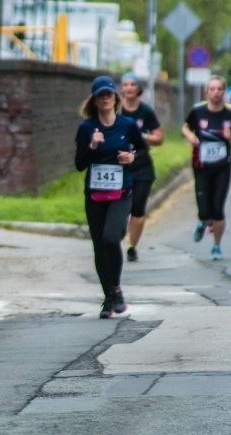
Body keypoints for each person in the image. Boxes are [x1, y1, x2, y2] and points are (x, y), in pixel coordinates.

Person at [75, 76, 147, 319]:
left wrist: (132, 157)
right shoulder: (87, 128)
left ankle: (116, 288)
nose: (105, 98)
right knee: (99, 246)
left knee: (110, 237)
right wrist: (92, 146)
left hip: (121, 192)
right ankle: (109, 298)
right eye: (100, 95)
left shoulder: (127, 125)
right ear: (94, 100)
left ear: (115, 98)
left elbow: (142, 150)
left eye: (108, 94)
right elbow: (78, 164)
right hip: (94, 195)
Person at [182, 75, 231, 261]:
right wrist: (190, 137)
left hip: (222, 166)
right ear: (206, 92)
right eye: (212, 89)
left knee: (218, 208)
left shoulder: (230, 114)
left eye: (219, 89)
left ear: (224, 92)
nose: (216, 92)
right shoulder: (198, 112)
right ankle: (203, 221)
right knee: (204, 209)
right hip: (201, 165)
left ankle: (216, 246)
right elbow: (185, 128)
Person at [119, 72, 164, 262]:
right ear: (121, 88)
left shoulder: (145, 112)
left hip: (142, 166)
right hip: (119, 166)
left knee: (138, 209)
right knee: (120, 208)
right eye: (126, 84)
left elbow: (159, 138)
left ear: (138, 89)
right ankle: (116, 235)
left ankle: (131, 246)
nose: (129, 88)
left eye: (133, 84)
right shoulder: (115, 110)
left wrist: (142, 136)